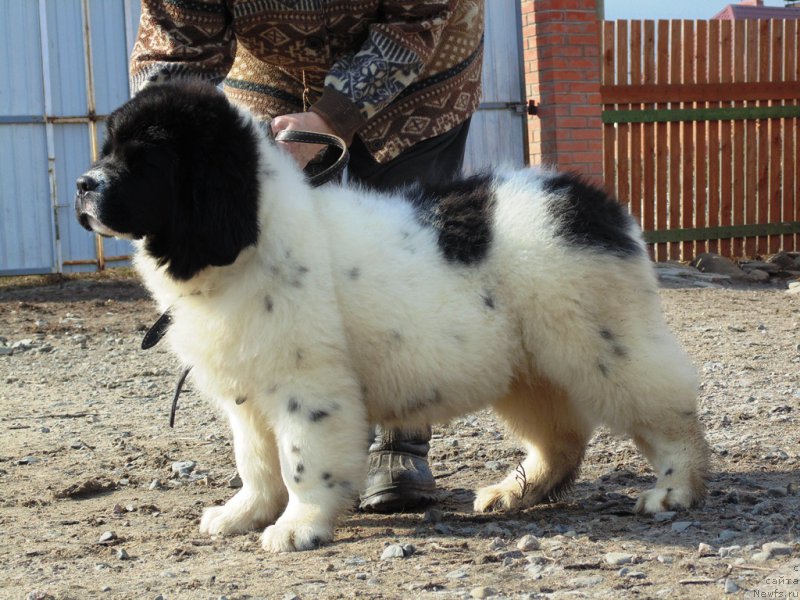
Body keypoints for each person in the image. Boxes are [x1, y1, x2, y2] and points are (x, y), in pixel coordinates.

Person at [130, 0, 485, 513]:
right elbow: (176, 45)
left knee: (402, 250)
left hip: (420, 68)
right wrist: (176, 144)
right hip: (271, 69)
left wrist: (332, 117)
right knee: (271, 250)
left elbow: (415, 20)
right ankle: (280, 463)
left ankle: (401, 437)